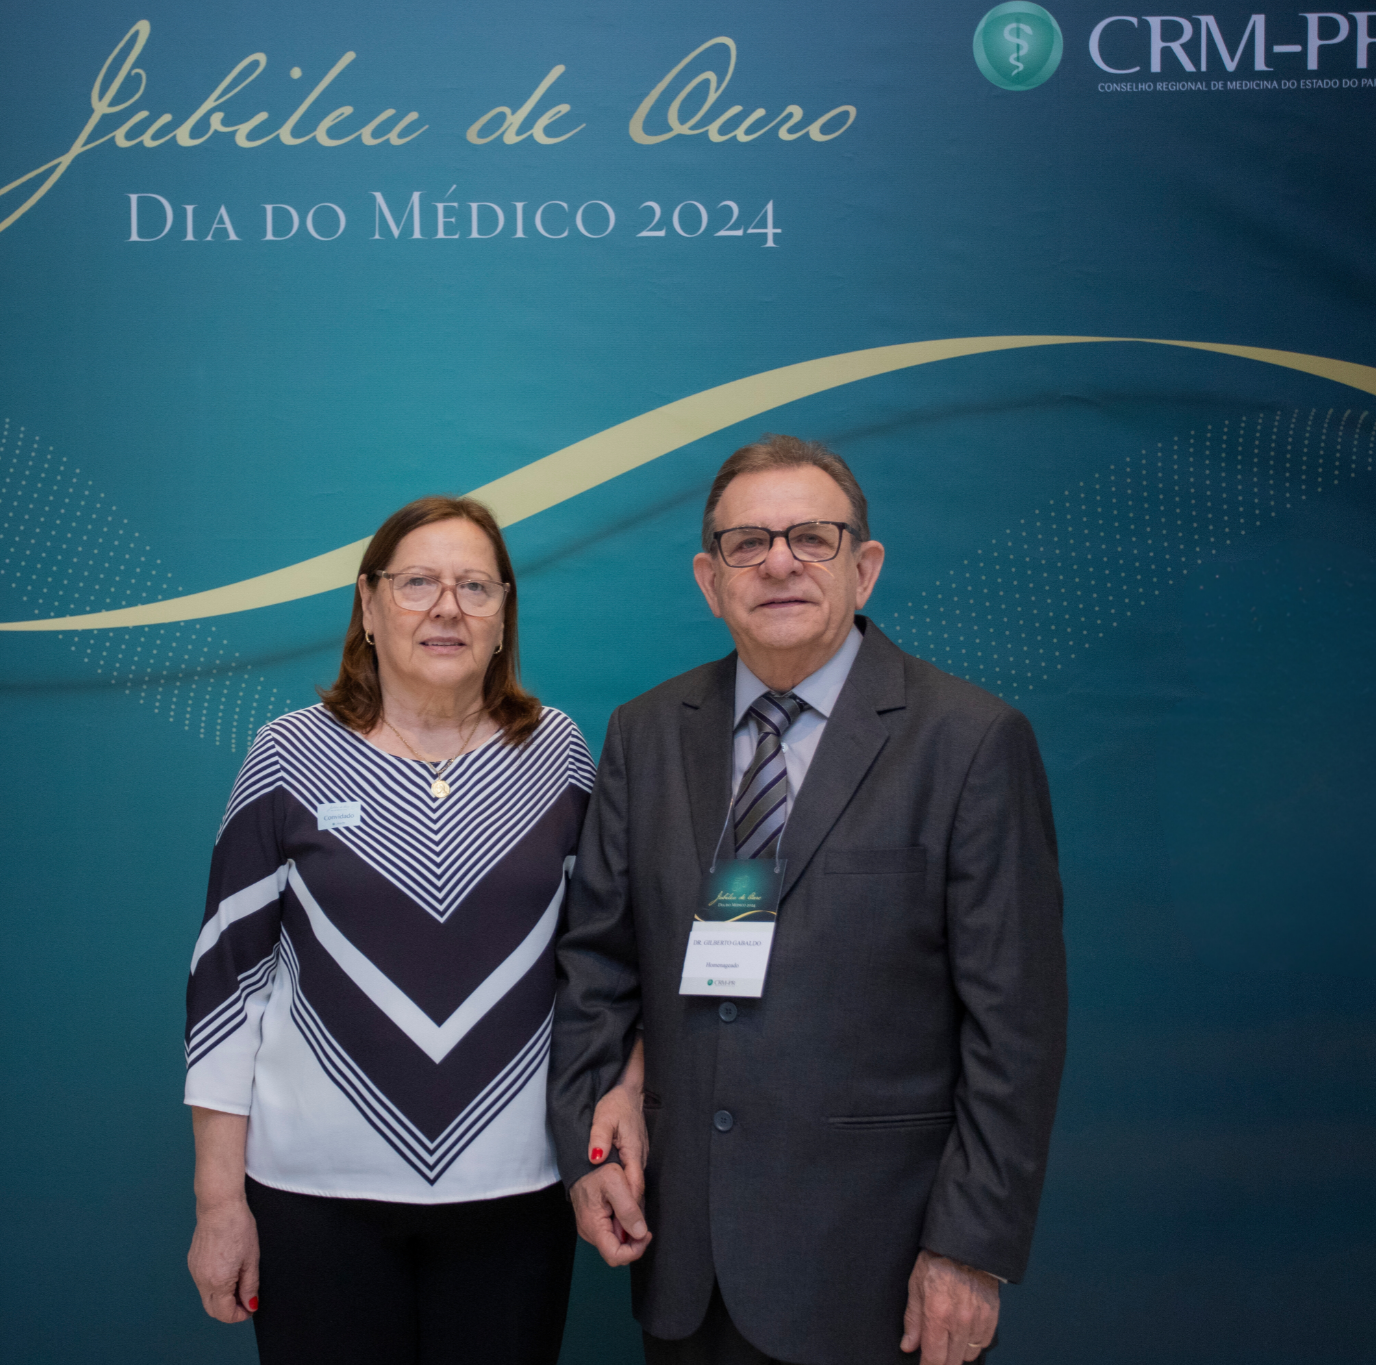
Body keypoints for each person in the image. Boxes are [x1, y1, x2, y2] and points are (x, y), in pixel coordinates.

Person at [547, 435, 1068, 1365]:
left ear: (864, 568)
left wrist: (969, 1246)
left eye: (812, 538)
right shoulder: (644, 733)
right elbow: (597, 964)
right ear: (710, 580)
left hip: (879, 1272)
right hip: (686, 1260)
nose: (779, 562)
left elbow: (1015, 1027)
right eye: (747, 542)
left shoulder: (971, 742)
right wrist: (590, 1134)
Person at [184, 495, 594, 1365]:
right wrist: (219, 1202)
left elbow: (597, 965)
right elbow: (226, 990)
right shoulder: (287, 754)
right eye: (417, 583)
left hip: (515, 1193)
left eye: (475, 586)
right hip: (311, 1200)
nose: (448, 607)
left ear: (504, 615)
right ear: (368, 606)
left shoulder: (559, 754)